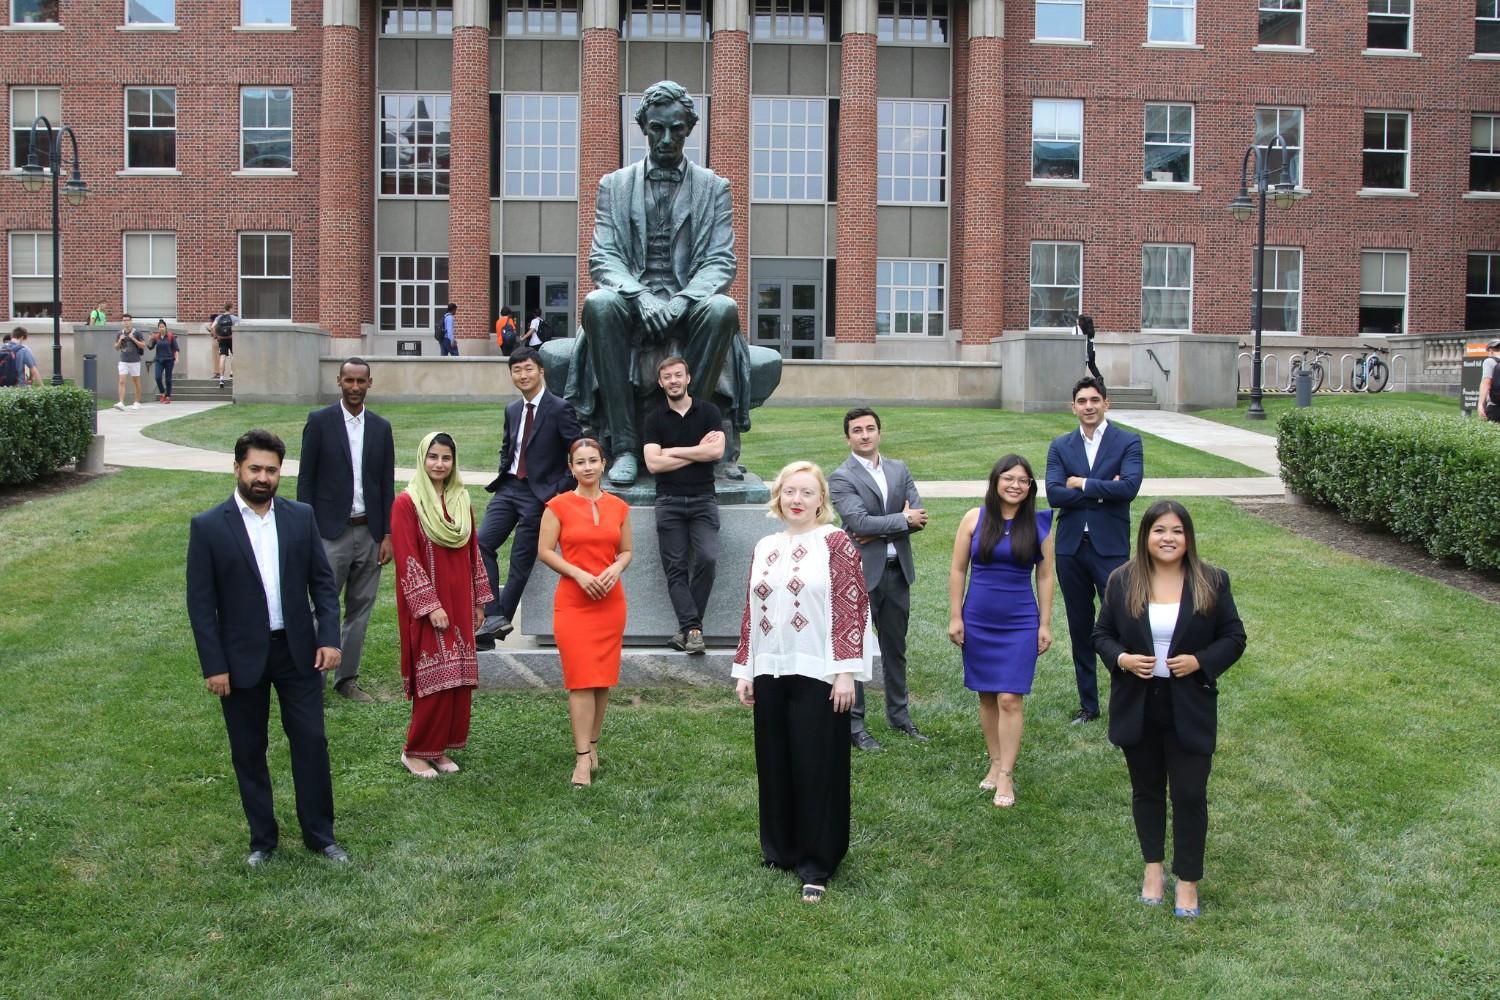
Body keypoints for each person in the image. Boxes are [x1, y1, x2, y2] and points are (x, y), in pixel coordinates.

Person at [185, 429, 350, 866]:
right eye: (255, 468)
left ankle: (321, 835)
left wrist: (329, 637)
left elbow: (323, 585)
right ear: (237, 467)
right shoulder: (207, 527)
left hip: (299, 652)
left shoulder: (300, 517)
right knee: (248, 750)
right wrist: (214, 666)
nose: (263, 477)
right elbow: (201, 606)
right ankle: (263, 841)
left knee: (311, 742)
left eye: (271, 470)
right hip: (240, 660)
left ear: (281, 473)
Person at [577, 81, 740, 486]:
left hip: (688, 301)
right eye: (656, 129)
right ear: (644, 128)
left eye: (676, 130)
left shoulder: (713, 187)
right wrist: (641, 296)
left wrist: (684, 300)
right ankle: (627, 446)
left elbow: (720, 261)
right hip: (634, 303)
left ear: (689, 129)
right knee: (599, 303)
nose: (666, 139)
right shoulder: (613, 186)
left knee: (723, 308)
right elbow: (604, 257)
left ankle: (691, 435)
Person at [1092, 500, 1245, 918]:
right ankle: (1153, 871)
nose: (1168, 538)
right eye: (1159, 530)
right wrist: (1122, 659)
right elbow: (1101, 634)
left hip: (1189, 705)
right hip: (1138, 705)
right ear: (1145, 536)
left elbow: (1234, 637)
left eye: (1177, 531)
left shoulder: (1212, 580)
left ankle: (1188, 882)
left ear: (1188, 537)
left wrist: (1200, 662)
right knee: (1147, 790)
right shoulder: (1123, 580)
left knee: (1190, 793)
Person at [733, 461, 873, 904]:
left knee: (818, 766)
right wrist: (745, 669)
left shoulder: (835, 543)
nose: (797, 499)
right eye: (790, 491)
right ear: (778, 496)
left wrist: (846, 670)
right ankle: (780, 849)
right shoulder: (765, 545)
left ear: (820, 501)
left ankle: (817, 860)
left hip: (820, 672)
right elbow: (750, 610)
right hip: (771, 669)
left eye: (807, 493)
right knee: (774, 760)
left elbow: (853, 606)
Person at [947, 455, 1055, 808]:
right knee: (987, 695)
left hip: (1020, 621)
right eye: (1008, 478)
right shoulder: (974, 519)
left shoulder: (1038, 525)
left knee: (1010, 696)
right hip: (978, 618)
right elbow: (958, 570)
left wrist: (1045, 623)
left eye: (1023, 481)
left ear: (1030, 488)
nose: (1015, 485)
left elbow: (1045, 575)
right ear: (995, 481)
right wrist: (955, 616)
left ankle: (1006, 775)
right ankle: (994, 763)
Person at [390, 432, 493, 778]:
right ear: (423, 458)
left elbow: (472, 551)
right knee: (434, 677)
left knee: (457, 678)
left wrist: (479, 601)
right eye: (433, 457)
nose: (439, 464)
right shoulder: (407, 503)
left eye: (446, 458)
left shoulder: (461, 499)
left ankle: (440, 748)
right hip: (429, 606)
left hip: (461, 601)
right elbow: (406, 558)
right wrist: (429, 605)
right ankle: (415, 751)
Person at [296, 358, 397, 703]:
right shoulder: (320, 422)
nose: (354, 386)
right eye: (349, 380)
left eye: (361, 381)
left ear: (370, 383)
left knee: (360, 609)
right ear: (339, 381)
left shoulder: (381, 428)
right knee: (322, 606)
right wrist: (306, 529)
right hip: (329, 532)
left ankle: (347, 680)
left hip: (368, 532)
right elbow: (306, 479)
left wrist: (387, 535)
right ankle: (312, 679)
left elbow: (386, 484)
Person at [828, 406, 928, 751]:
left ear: (879, 432)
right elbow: (858, 524)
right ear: (848, 437)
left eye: (870, 428)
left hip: (897, 572)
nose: (865, 435)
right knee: (855, 650)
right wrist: (898, 521)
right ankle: (854, 724)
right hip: (858, 573)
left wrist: (880, 526)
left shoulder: (899, 469)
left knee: (895, 648)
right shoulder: (841, 477)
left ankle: (899, 717)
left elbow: (919, 517)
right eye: (857, 430)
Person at [1045, 376, 1143, 725]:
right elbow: (1055, 495)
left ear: (1106, 404)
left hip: (1110, 549)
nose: (1089, 406)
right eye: (1082, 401)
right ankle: (1089, 705)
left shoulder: (1127, 442)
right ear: (1073, 407)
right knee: (1080, 626)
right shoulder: (1060, 446)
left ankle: (1128, 698)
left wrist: (1083, 483)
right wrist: (1105, 489)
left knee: (1121, 624)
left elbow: (1129, 488)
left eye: (1095, 400)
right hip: (1070, 549)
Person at [537, 438, 633, 788]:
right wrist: (578, 573)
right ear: (571, 467)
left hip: (610, 602)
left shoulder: (619, 507)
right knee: (580, 679)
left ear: (604, 463)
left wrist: (616, 569)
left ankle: (593, 746)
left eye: (594, 460)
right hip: (574, 603)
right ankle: (581, 760)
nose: (588, 467)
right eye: (581, 462)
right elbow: (545, 551)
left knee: (602, 679)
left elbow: (625, 551)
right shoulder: (558, 506)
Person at [476, 348, 582, 648]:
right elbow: (508, 445)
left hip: (540, 495)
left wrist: (557, 488)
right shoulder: (512, 410)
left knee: (521, 561)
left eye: (528, 369)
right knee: (481, 543)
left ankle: (492, 629)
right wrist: (502, 469)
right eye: (517, 370)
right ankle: (496, 618)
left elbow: (578, 452)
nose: (523, 375)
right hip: (509, 488)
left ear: (541, 371)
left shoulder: (560, 408)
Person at [642, 355, 723, 654]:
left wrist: (672, 451)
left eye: (679, 375)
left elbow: (715, 453)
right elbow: (653, 464)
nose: (674, 380)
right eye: (667, 377)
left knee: (708, 559)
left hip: (703, 499)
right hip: (669, 502)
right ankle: (693, 629)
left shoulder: (709, 411)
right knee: (675, 568)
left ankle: (687, 628)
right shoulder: (654, 418)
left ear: (688, 378)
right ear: (660, 382)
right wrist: (696, 451)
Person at [112, 314, 147, 410]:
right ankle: (121, 402)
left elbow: (143, 345)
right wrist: (120, 340)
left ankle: (137, 402)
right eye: (124, 320)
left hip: (135, 361)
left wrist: (133, 338)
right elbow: (115, 347)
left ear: (131, 321)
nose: (126, 322)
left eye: (127, 320)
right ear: (122, 322)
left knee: (136, 381)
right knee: (122, 381)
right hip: (123, 360)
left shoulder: (137, 333)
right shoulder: (120, 333)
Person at [147, 320, 178, 403]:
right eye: (160, 327)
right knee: (157, 377)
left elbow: (176, 348)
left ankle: (168, 397)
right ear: (158, 328)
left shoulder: (170, 336)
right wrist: (150, 340)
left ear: (165, 327)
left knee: (168, 379)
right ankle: (162, 393)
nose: (161, 328)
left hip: (169, 360)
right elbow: (150, 347)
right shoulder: (156, 337)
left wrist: (177, 358)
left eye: (163, 327)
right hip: (159, 360)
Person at [210, 304, 239, 387]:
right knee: (234, 355)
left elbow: (212, 327)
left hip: (222, 339)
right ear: (230, 309)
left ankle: (221, 379)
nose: (234, 310)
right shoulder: (234, 318)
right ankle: (232, 373)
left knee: (222, 357)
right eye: (233, 308)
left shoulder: (219, 318)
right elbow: (236, 330)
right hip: (231, 339)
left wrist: (216, 336)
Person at [1480, 338, 1500, 422]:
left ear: (1490, 350)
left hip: (1495, 407)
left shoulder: (1489, 361)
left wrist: (1480, 404)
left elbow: (1486, 383)